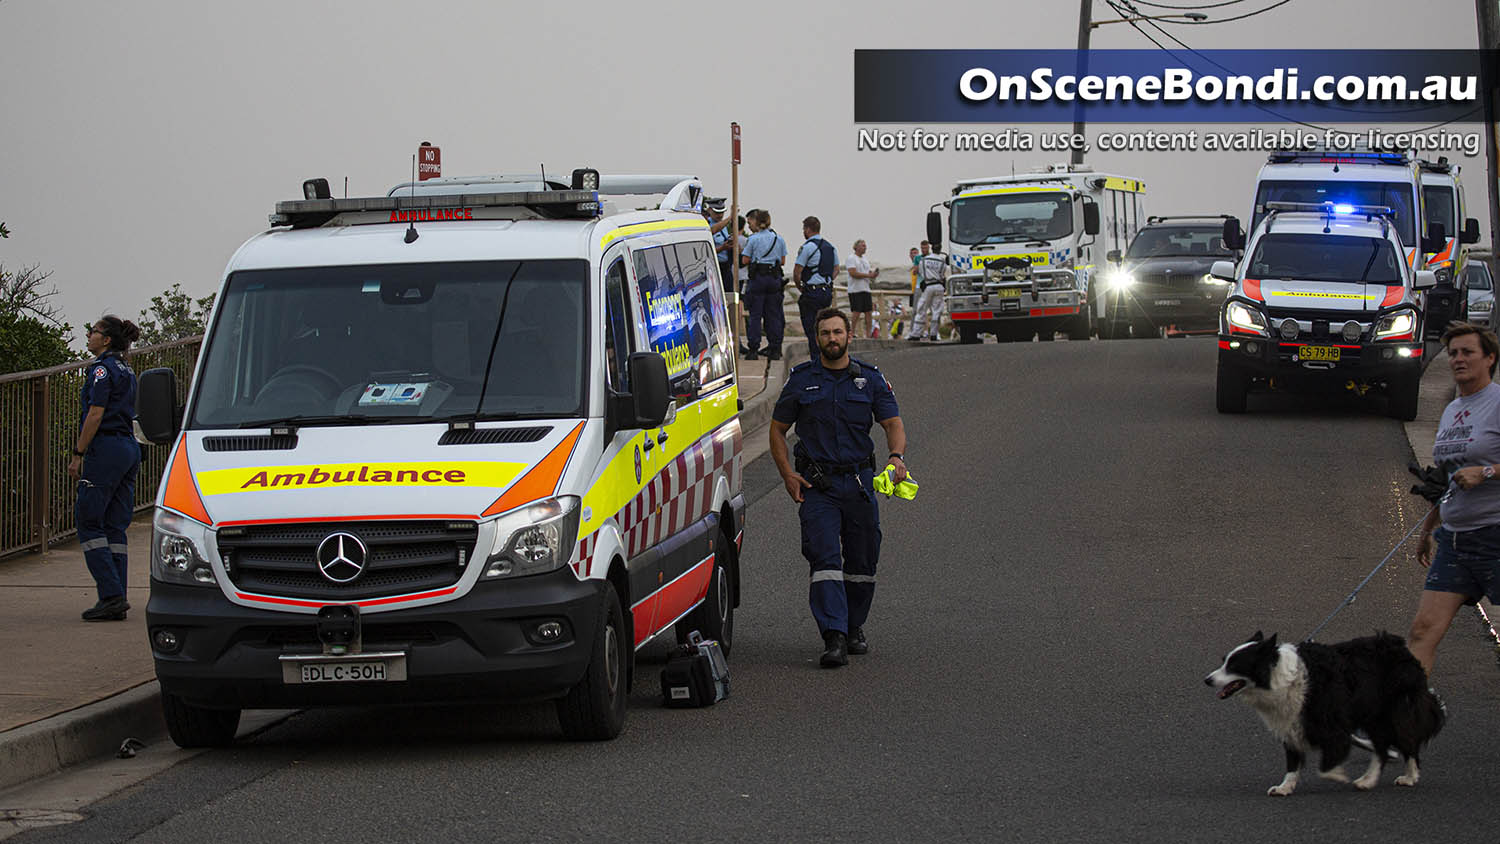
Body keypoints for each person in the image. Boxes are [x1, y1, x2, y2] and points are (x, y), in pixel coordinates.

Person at [769, 307, 907, 668]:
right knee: (825, 558)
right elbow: (777, 430)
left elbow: (893, 422)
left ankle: (854, 625)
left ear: (849, 336)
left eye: (838, 332)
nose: (832, 338)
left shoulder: (870, 379)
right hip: (818, 486)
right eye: (825, 333)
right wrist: (787, 474)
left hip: (860, 484)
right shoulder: (801, 380)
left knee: (863, 561)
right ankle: (834, 636)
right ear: (817, 339)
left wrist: (896, 457)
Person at [1408, 322, 1500, 676]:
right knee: (1422, 631)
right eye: (1453, 353)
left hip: (1494, 535)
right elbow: (1447, 476)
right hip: (1455, 541)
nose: (1458, 359)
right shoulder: (1451, 411)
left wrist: (1487, 471)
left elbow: (1476, 471)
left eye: (1468, 352)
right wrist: (1428, 528)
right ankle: (1404, 724)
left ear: (1489, 358)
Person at [69, 315, 143, 622]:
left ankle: (111, 594)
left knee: (88, 521)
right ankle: (118, 596)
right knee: (114, 526)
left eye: (94, 331)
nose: (89, 334)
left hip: (107, 449)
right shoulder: (127, 370)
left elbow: (96, 414)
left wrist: (78, 453)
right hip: (128, 447)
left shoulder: (101, 370)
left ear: (107, 339)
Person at [740, 209, 787, 360]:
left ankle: (753, 348)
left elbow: (745, 260)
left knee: (755, 315)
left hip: (758, 279)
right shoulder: (779, 239)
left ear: (756, 221)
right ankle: (775, 348)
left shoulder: (753, 239)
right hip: (774, 279)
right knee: (773, 315)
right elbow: (783, 261)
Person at [793, 216, 840, 356]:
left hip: (811, 292)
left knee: (811, 327)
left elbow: (797, 271)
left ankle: (816, 359)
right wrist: (828, 279)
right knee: (824, 326)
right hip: (826, 292)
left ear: (807, 229)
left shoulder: (807, 247)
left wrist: (800, 286)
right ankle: (826, 356)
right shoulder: (831, 247)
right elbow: (836, 268)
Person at [906, 241, 949, 342]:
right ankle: (934, 333)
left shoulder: (924, 260)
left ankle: (916, 333)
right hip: (939, 286)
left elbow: (920, 272)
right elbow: (943, 273)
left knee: (921, 309)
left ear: (931, 248)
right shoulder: (942, 261)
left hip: (928, 285)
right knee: (936, 310)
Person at [845, 239, 879, 339]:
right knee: (856, 311)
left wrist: (873, 275)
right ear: (856, 247)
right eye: (863, 246)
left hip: (866, 288)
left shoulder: (865, 259)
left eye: (865, 246)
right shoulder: (851, 258)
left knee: (868, 312)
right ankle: (852, 332)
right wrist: (868, 275)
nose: (865, 247)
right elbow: (853, 273)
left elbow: (867, 272)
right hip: (855, 289)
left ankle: (868, 334)